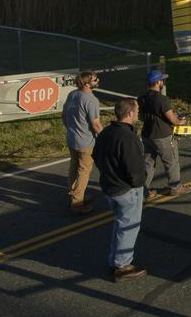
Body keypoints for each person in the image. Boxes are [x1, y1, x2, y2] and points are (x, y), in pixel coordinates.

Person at [94, 98, 147, 281]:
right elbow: (134, 170)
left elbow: (96, 155)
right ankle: (122, 265)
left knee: (120, 223)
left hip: (109, 186)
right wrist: (139, 183)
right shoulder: (127, 138)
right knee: (129, 226)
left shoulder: (106, 132)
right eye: (137, 110)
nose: (138, 113)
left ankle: (115, 259)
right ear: (130, 113)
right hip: (126, 190)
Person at [138, 70, 190, 200]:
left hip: (147, 135)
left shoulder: (141, 98)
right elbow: (173, 120)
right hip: (162, 136)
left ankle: (143, 191)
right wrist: (181, 121)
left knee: (148, 164)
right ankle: (175, 187)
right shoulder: (162, 99)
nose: (163, 82)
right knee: (171, 162)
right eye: (162, 80)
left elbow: (141, 117)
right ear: (158, 82)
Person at [61, 71, 103, 214]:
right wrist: (105, 137)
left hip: (72, 138)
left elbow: (64, 115)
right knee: (84, 171)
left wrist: (71, 129)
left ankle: (74, 193)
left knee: (74, 166)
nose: (98, 80)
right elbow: (96, 124)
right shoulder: (91, 100)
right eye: (95, 79)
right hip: (85, 142)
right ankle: (77, 202)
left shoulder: (72, 95)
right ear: (87, 83)